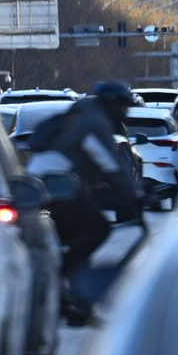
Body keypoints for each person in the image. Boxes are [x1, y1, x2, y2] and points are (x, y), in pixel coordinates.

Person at [27, 81, 142, 281]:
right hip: (57, 189)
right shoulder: (94, 124)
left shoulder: (83, 112)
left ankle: (68, 279)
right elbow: (111, 166)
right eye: (124, 107)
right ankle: (59, 274)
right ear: (112, 105)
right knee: (98, 229)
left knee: (76, 231)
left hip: (41, 188)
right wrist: (135, 195)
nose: (126, 113)